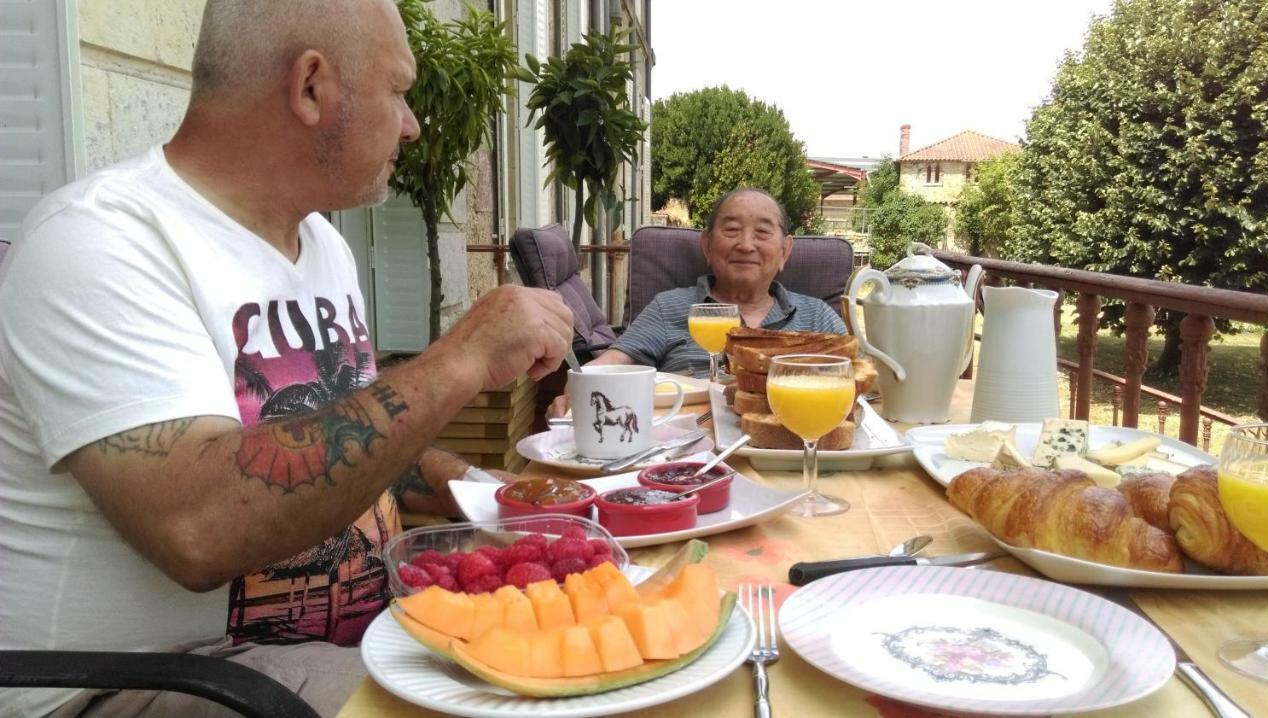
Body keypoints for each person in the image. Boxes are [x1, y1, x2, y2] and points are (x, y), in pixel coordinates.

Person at [0, 1, 572, 716]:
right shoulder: (99, 242)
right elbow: (198, 531)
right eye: (398, 91)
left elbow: (345, 444)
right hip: (156, 681)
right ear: (310, 87)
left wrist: (497, 500)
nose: (412, 123)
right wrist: (459, 359)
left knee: (587, 660)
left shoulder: (321, 246)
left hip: (337, 645)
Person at [547, 187, 846, 418]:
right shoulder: (669, 307)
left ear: (784, 251)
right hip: (686, 451)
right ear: (707, 245)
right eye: (731, 229)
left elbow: (855, 383)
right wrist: (580, 384)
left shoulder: (817, 316)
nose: (745, 244)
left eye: (763, 232)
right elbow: (614, 361)